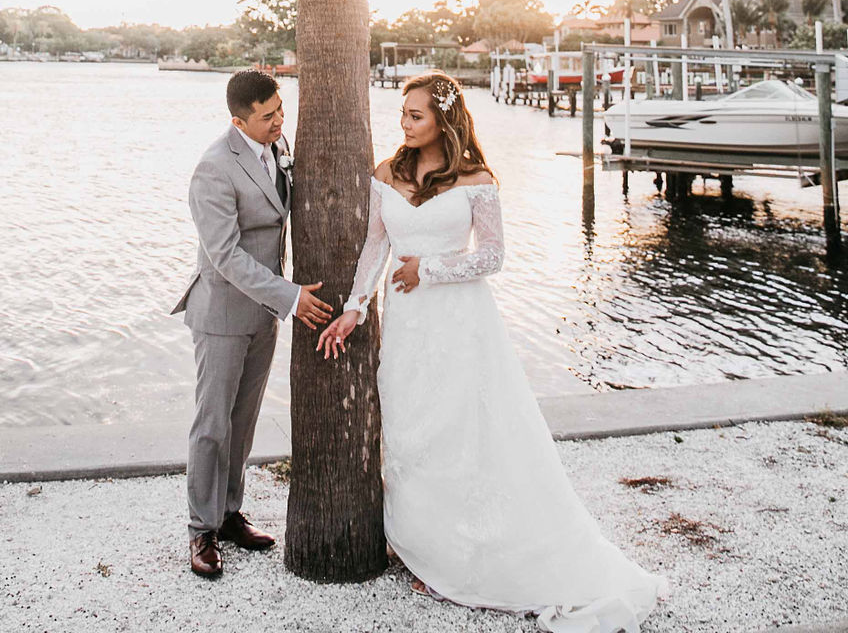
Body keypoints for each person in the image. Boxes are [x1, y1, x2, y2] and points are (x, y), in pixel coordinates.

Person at [317, 71, 665, 631]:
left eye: (416, 115)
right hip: (406, 326)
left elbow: (492, 258)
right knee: (413, 430)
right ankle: (421, 547)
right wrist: (356, 307)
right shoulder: (385, 174)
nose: (403, 123)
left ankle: (467, 555)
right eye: (403, 113)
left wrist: (428, 269)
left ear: (444, 120)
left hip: (461, 321)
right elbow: (374, 249)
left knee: (463, 432)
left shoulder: (478, 179)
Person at [172, 69, 332, 578]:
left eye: (281, 110)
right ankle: (201, 530)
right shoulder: (213, 169)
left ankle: (229, 514)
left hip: (263, 315)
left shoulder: (276, 149)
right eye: (268, 116)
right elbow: (224, 256)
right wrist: (290, 298)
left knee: (242, 425)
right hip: (222, 313)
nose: (279, 121)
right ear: (237, 119)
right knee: (212, 425)